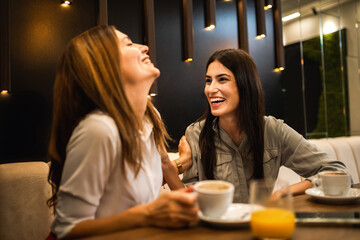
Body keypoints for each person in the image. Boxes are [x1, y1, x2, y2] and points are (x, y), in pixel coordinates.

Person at [47, 25, 197, 239]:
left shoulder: (150, 116)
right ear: (105, 66)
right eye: (128, 43)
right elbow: (67, 230)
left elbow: (163, 165)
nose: (145, 47)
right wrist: (148, 214)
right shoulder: (99, 129)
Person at [179, 48, 348, 203]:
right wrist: (172, 167)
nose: (211, 89)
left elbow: (339, 173)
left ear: (246, 85)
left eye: (222, 79)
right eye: (208, 81)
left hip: (262, 226)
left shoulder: (273, 130)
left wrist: (284, 192)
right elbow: (189, 198)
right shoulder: (195, 134)